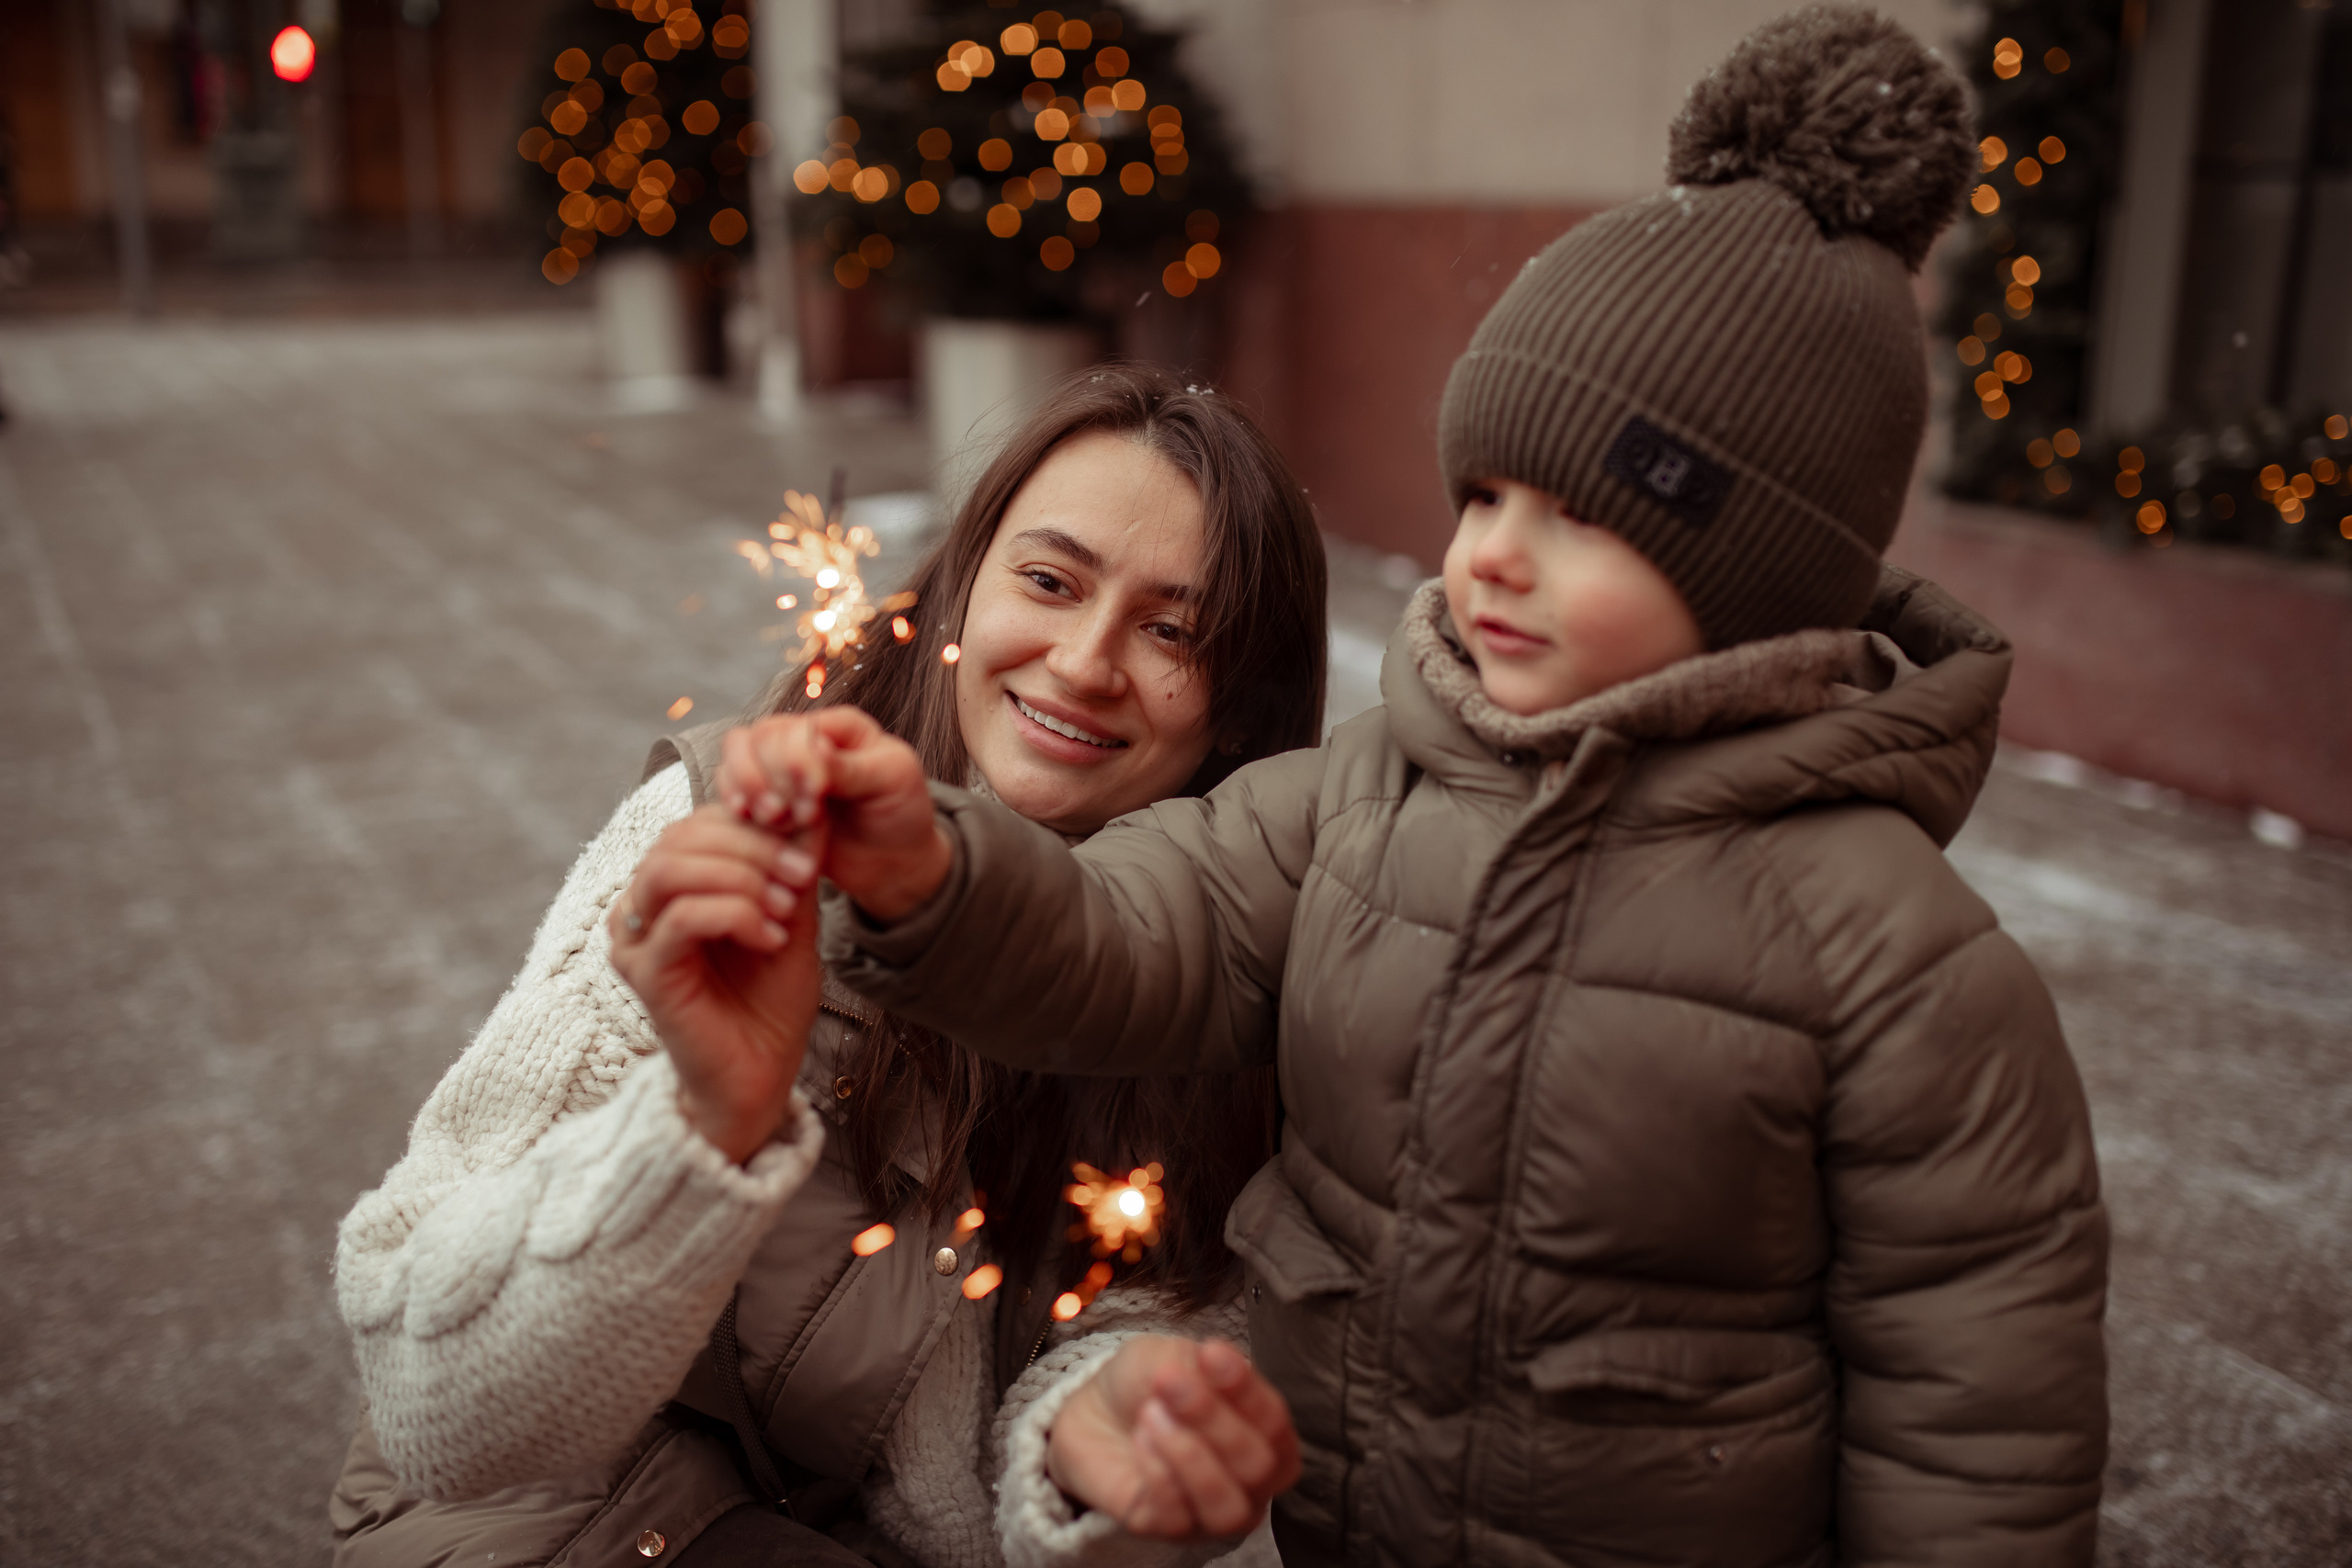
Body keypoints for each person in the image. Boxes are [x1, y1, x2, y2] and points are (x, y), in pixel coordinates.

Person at [717, 11, 2110, 1565]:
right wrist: (936, 872)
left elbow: (1978, 1428)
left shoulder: (1898, 963)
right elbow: (1134, 928)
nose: (1491, 553)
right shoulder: (1370, 794)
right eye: (1485, 492)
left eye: (1580, 516)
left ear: (1754, 577)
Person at [330, 364, 1324, 1568]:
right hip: (562, 1522)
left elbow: (1144, 1315)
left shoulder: (1236, 968)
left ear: (1239, 708)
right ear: (962, 583)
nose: (1082, 661)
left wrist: (1093, 1430)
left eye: (1173, 630)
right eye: (1049, 581)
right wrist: (702, 1126)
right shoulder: (727, 840)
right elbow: (436, 1416)